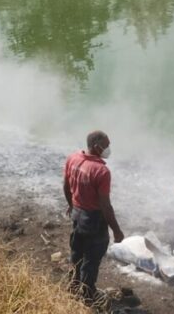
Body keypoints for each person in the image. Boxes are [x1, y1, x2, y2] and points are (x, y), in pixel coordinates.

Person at [63, 130, 124, 304]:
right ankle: (87, 296)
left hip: (77, 215)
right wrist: (116, 231)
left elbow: (66, 186)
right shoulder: (101, 171)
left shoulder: (73, 159)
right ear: (96, 146)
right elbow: (105, 205)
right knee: (91, 259)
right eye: (106, 144)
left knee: (76, 254)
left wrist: (71, 204)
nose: (109, 148)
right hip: (93, 220)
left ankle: (73, 288)